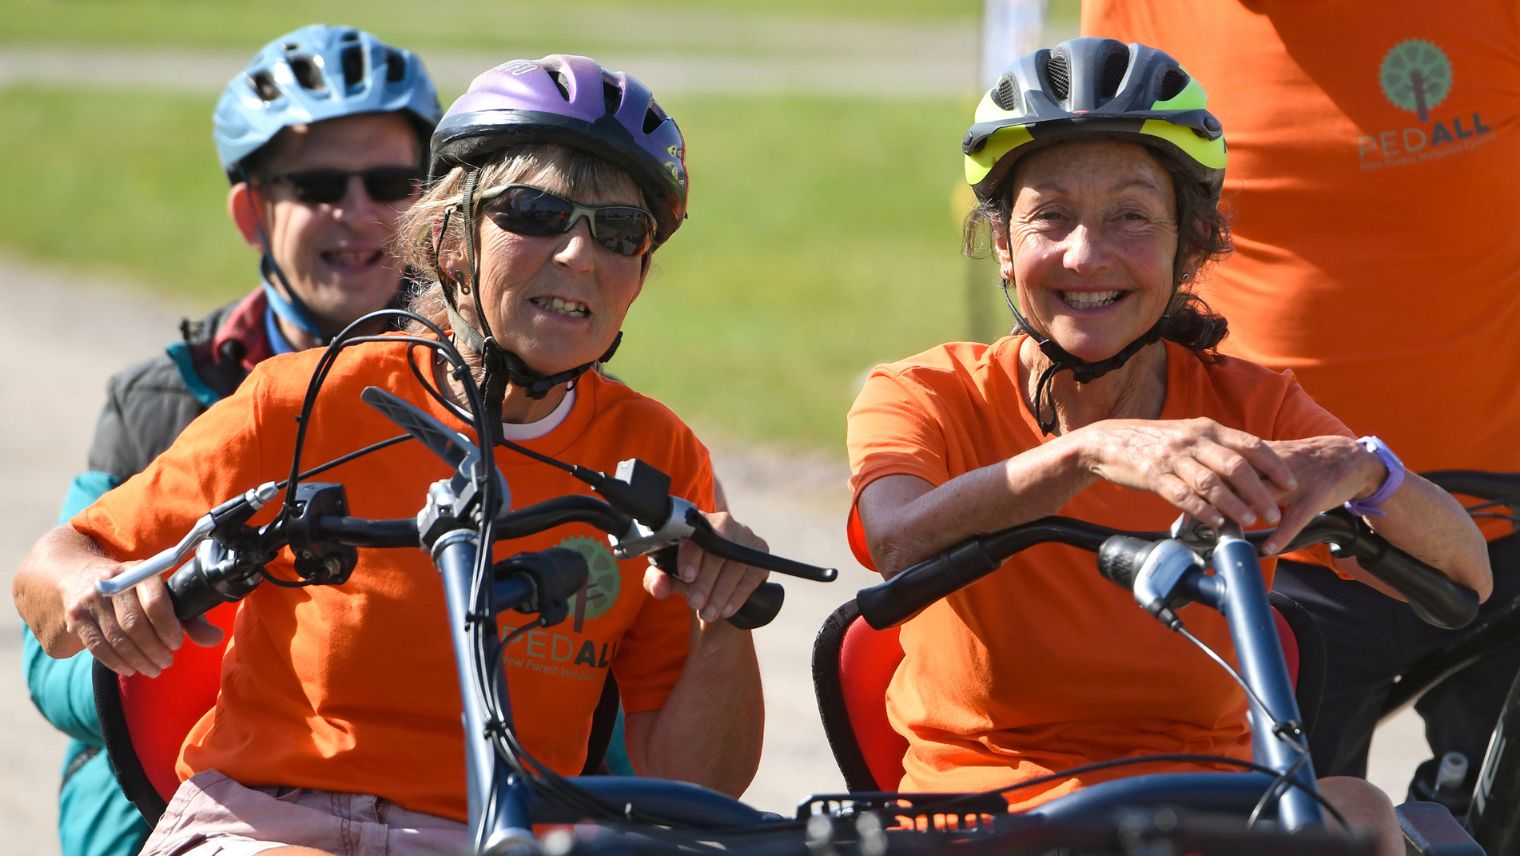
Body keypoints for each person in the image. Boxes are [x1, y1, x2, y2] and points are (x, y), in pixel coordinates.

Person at [15, 53, 770, 855]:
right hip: (267, 818)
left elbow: (696, 790)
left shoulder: (659, 458)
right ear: (448, 236)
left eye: (619, 232)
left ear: (642, 270)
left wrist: (727, 616)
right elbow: (52, 573)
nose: (581, 256)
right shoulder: (304, 400)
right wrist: (90, 585)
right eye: (534, 212)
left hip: (490, 834)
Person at [844, 38, 1491, 854]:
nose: (1086, 254)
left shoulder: (1248, 404)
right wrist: (1091, 451)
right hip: (989, 811)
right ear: (1003, 245)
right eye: (1050, 216)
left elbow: (1467, 575)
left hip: (1210, 810)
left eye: (1130, 217)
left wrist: (1356, 467)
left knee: (1359, 808)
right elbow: (897, 537)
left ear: (1189, 248)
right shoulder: (922, 394)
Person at [1080, 0, 1520, 807]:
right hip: (1271, 543)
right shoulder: (1137, 10)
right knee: (1275, 825)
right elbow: (1109, 250)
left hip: (1504, 530)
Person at [18, 24, 440, 856]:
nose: (358, 215)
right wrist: (135, 634)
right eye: (319, 185)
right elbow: (52, 657)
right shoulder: (167, 401)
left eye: (391, 181)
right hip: (175, 776)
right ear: (253, 210)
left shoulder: (486, 389)